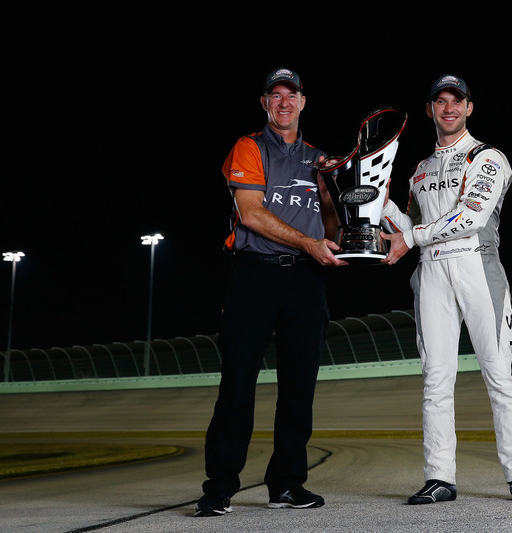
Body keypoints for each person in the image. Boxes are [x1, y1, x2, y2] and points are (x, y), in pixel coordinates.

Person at [380, 74, 512, 504]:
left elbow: (470, 217)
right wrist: (376, 200)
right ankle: (439, 478)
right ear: (431, 109)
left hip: (477, 267)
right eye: (440, 101)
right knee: (436, 379)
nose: (448, 108)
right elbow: (408, 229)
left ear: (469, 107)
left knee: (499, 373)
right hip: (431, 273)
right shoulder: (419, 170)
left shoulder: (488, 157)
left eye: (457, 101)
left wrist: (412, 236)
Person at [195, 68, 346, 517]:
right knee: (237, 384)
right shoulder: (249, 147)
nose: (284, 102)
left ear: (304, 102)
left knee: (299, 387)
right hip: (255, 276)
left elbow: (331, 230)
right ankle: (220, 487)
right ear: (265, 103)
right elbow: (252, 214)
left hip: (306, 281)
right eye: (275, 95)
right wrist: (308, 242)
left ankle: (286, 485)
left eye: (292, 95)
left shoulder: (321, 160)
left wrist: (339, 202)